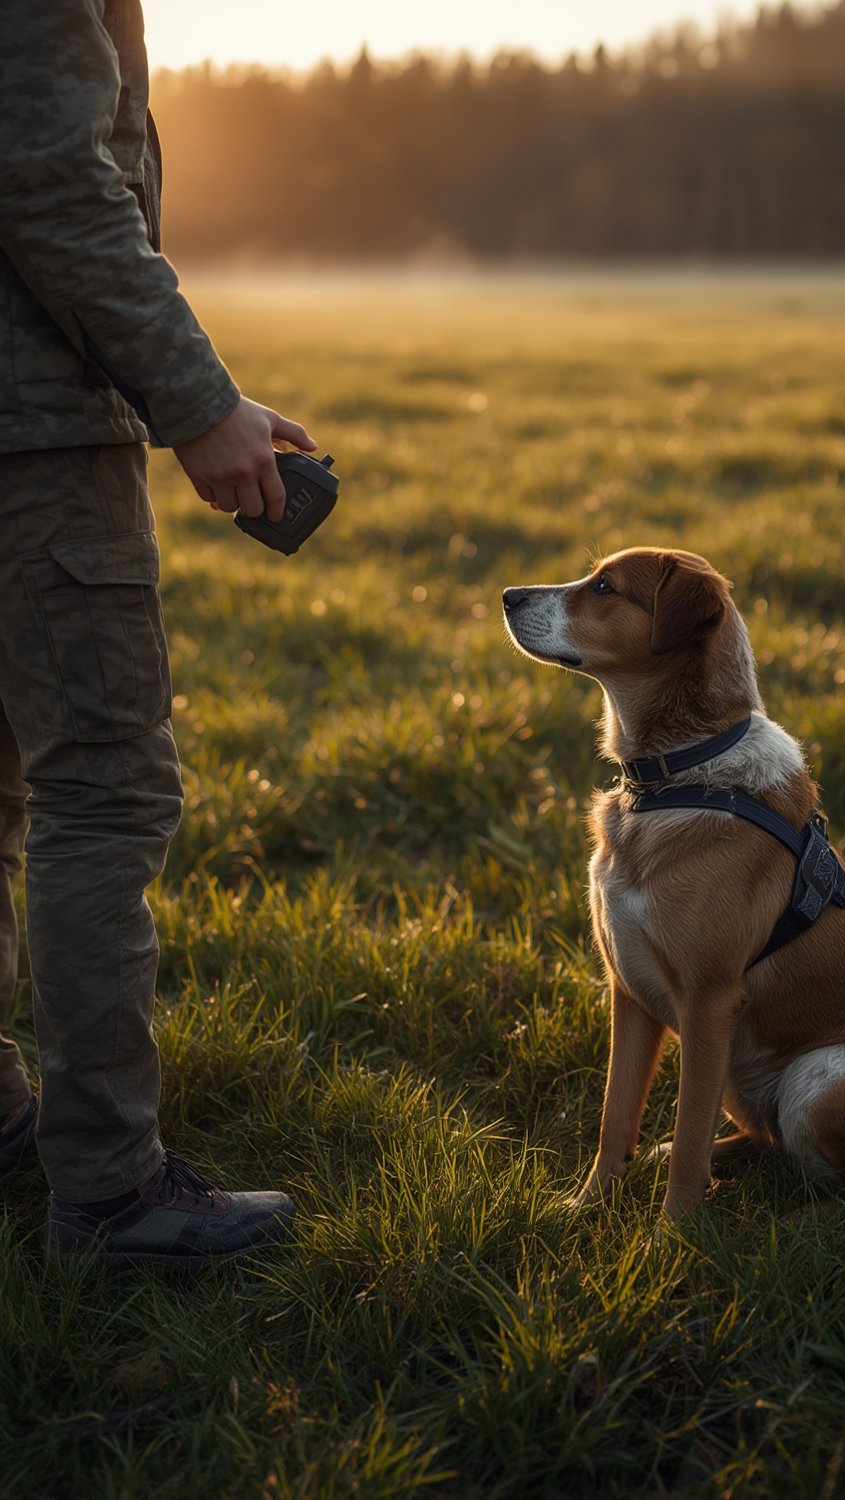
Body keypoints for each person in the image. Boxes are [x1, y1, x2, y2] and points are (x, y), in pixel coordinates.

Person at [0, 0, 314, 1264]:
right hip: (35, 444)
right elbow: (52, 181)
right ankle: (113, 1194)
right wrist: (195, 403)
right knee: (104, 799)